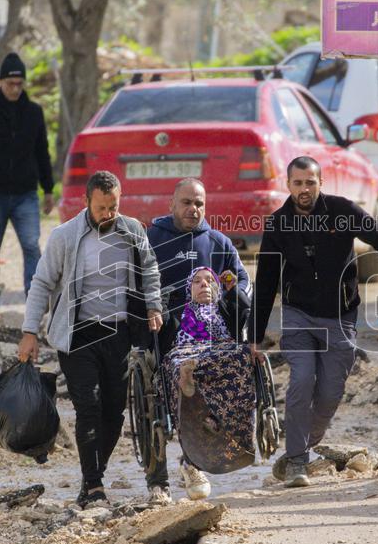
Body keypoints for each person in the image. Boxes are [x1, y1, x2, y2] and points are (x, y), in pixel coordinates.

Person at [248, 155, 378, 488]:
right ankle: (296, 462)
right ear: (288, 185)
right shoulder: (279, 224)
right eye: (298, 183)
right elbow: (265, 281)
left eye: (310, 182)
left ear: (321, 183)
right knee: (302, 379)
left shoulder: (343, 211)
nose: (304, 189)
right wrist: (254, 334)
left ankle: (300, 446)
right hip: (298, 314)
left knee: (329, 394)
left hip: (340, 316)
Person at [18, 170, 163, 509]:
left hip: (118, 332)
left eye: (114, 206)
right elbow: (41, 283)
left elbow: (151, 270)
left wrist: (154, 305)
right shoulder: (65, 236)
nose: (109, 214)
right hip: (78, 332)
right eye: (102, 207)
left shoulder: (132, 231)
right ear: (86, 203)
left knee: (114, 412)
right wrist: (29, 331)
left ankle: (91, 476)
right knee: (89, 406)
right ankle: (95, 485)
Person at [144, 178, 250, 501]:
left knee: (238, 359)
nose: (194, 209)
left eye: (199, 203)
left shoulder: (218, 242)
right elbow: (136, 278)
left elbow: (241, 280)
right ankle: (172, 471)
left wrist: (235, 296)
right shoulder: (153, 239)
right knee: (174, 375)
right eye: (187, 202)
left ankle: (229, 443)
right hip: (171, 334)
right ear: (171, 205)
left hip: (216, 334)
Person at [0, 52, 54, 310]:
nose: (15, 89)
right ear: (1, 83)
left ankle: (35, 304)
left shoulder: (34, 113)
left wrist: (48, 189)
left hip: (25, 193)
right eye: (10, 84)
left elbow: (42, 152)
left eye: (19, 84)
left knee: (31, 246)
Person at [161, 266, 252, 500]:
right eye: (197, 282)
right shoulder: (178, 312)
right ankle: (187, 381)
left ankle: (190, 380)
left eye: (210, 281)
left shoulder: (225, 308)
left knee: (241, 354)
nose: (204, 285)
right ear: (188, 289)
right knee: (177, 364)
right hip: (185, 353)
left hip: (221, 353)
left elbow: (247, 314)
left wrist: (233, 292)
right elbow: (162, 345)